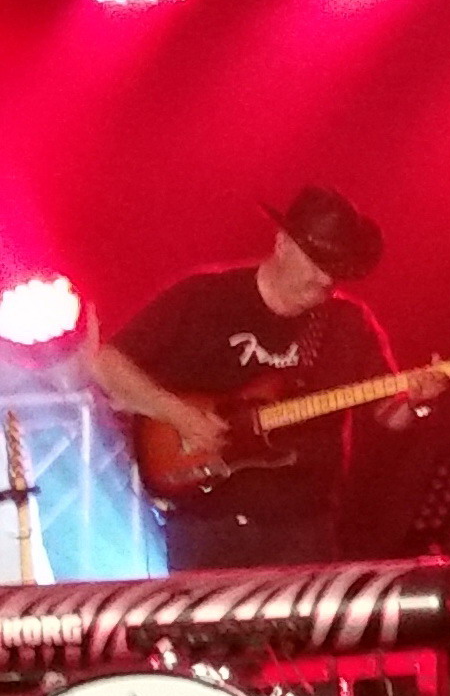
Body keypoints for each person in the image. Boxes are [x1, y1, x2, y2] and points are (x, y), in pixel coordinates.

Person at [88, 185, 423, 570]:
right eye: (316, 263)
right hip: (207, 526)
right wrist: (181, 416)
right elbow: (107, 364)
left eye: (335, 270)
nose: (324, 279)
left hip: (303, 529)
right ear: (282, 244)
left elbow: (390, 415)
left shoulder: (348, 324)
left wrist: (414, 401)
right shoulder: (204, 299)